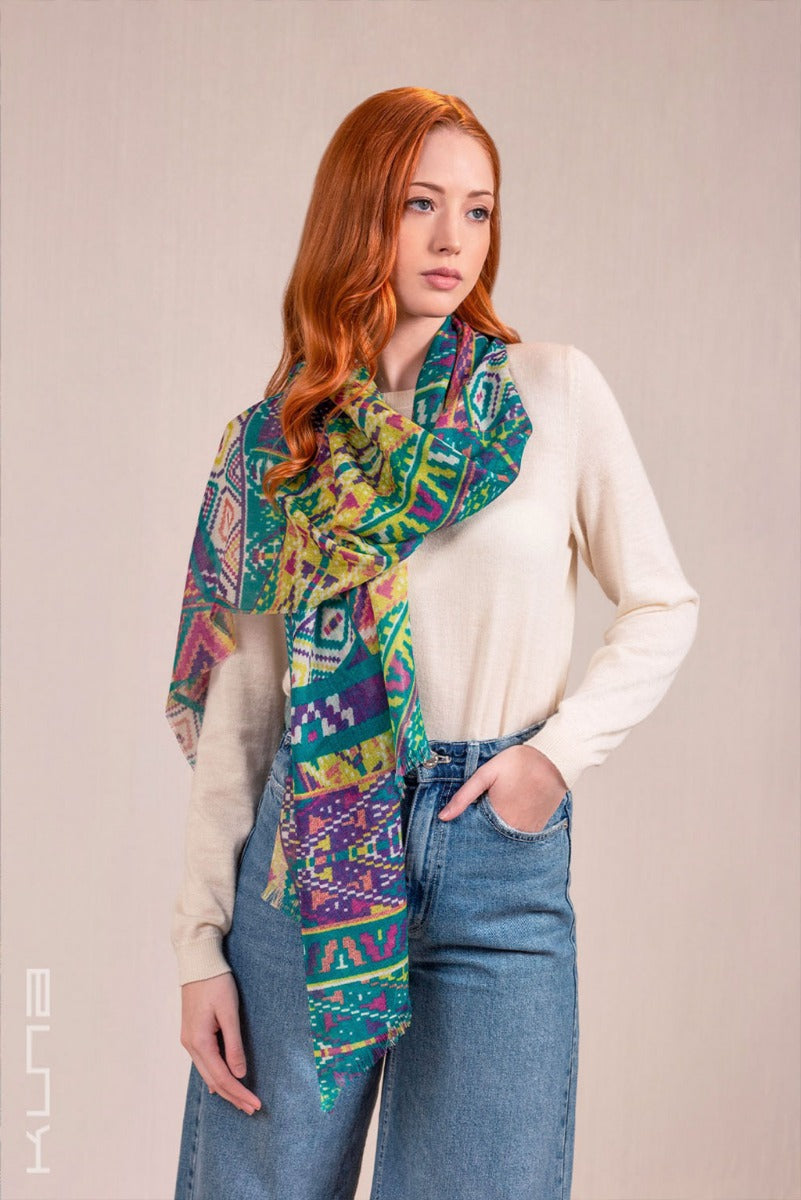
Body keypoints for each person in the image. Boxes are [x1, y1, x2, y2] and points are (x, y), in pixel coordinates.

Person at [166, 86, 700, 1200]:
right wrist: (199, 945)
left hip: (492, 861)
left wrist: (552, 758)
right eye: (420, 203)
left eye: (478, 209)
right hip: (311, 851)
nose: (454, 237)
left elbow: (663, 603)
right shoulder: (277, 446)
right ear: (357, 213)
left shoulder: (550, 393)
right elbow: (242, 720)